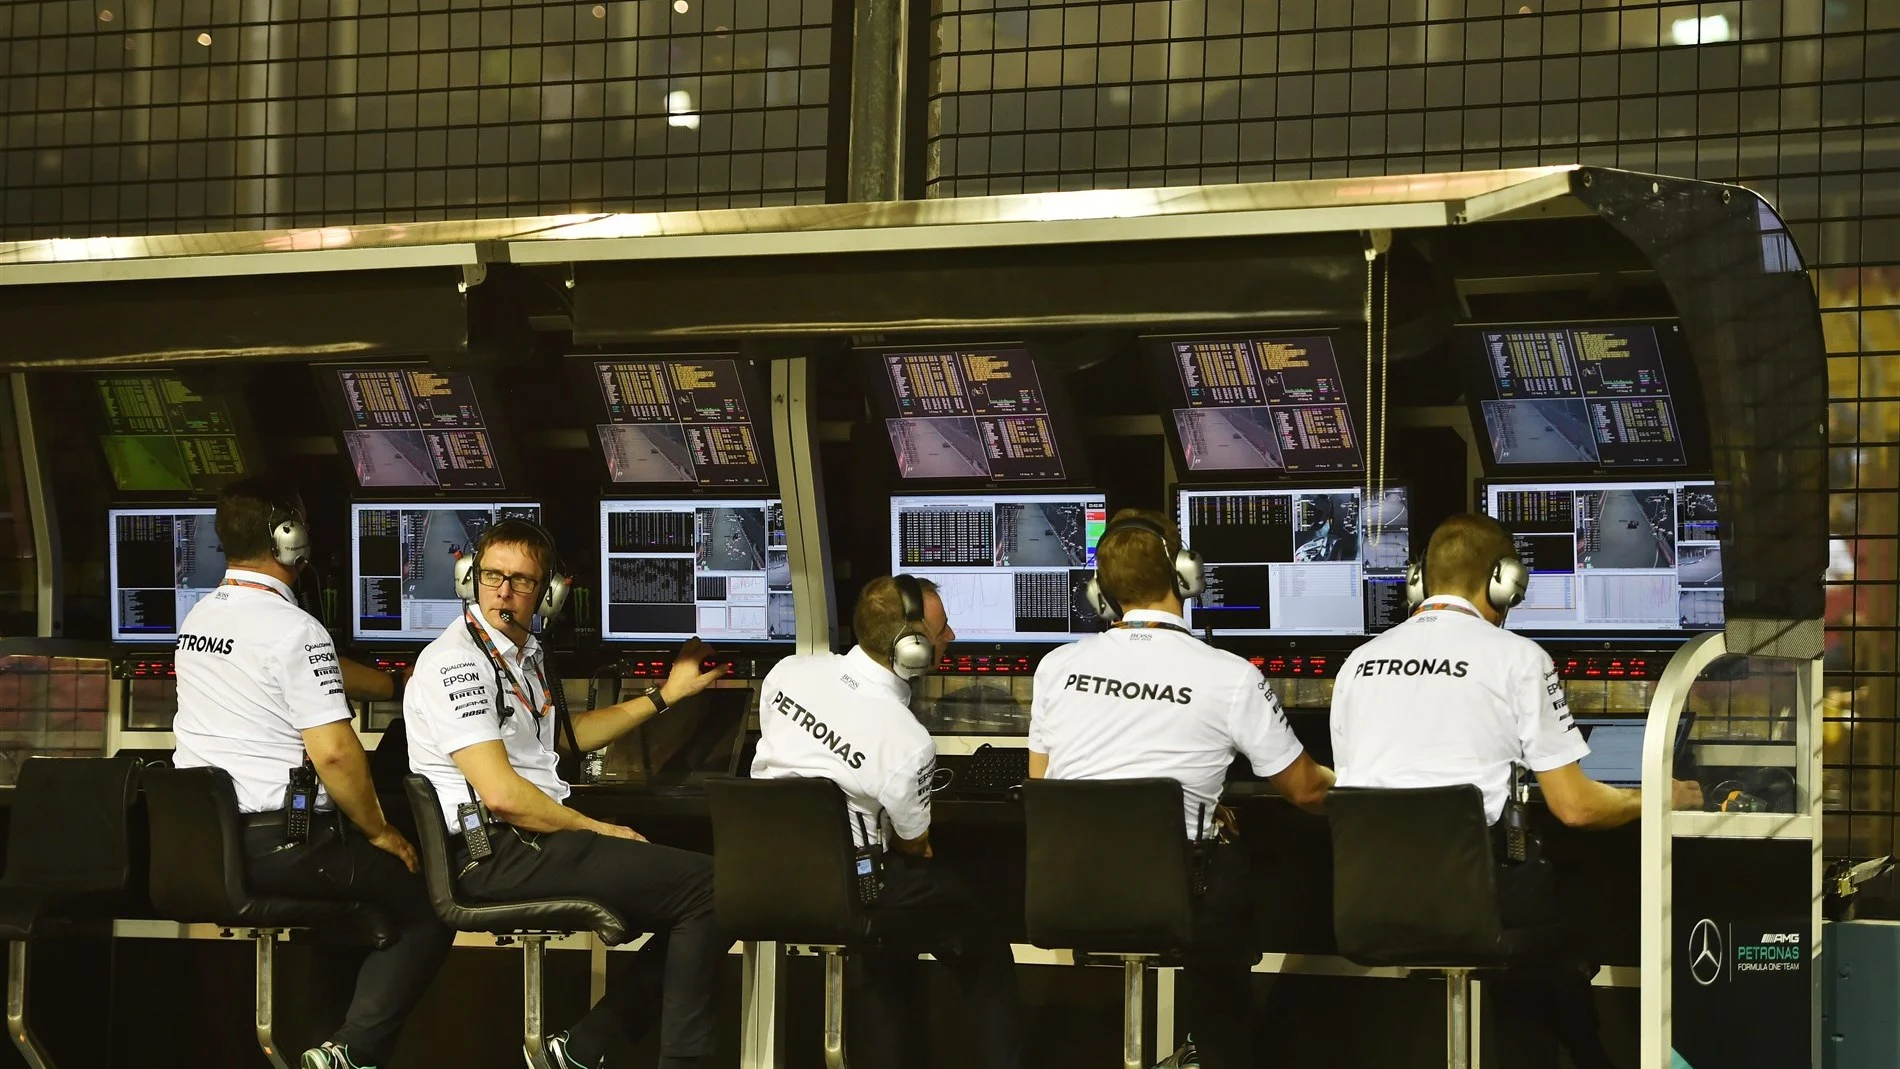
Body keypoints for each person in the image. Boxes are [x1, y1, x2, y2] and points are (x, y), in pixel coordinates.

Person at [1330, 513, 1704, 1069]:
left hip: (1366, 906)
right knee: (1568, 928)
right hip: (1475, 903)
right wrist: (1659, 796)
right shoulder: (1519, 659)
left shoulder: (1356, 666)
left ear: (1420, 580)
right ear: (1504, 580)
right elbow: (1574, 808)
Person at [404, 518, 729, 1069]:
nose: (503, 592)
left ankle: (584, 1046)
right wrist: (601, 830)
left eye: (521, 582)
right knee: (716, 892)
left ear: (548, 595)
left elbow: (560, 739)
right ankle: (599, 1045)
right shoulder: (458, 661)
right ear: (470, 580)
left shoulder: (520, 656)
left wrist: (665, 696)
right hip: (500, 853)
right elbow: (503, 794)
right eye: (491, 576)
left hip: (527, 841)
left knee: (714, 891)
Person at [1028, 509, 1334, 1069]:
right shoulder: (1229, 674)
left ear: (1103, 592)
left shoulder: (1055, 667)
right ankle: (1217, 1050)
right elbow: (1307, 791)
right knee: (1233, 898)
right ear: (1186, 574)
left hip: (1071, 889)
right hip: (1173, 898)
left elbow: (1044, 785)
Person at [171, 477, 452, 1069]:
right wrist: (380, 830)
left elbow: (289, 671)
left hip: (206, 845)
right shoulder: (295, 631)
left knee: (360, 897)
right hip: (285, 844)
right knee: (430, 902)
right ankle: (353, 1052)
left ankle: (328, 1048)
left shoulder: (200, 618)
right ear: (288, 538)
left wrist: (400, 686)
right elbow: (334, 755)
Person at [752, 575, 1023, 1069]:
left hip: (761, 878)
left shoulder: (786, 673)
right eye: (942, 631)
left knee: (893, 938)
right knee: (980, 932)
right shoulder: (907, 741)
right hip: (851, 891)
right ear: (913, 648)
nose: (952, 638)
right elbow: (913, 845)